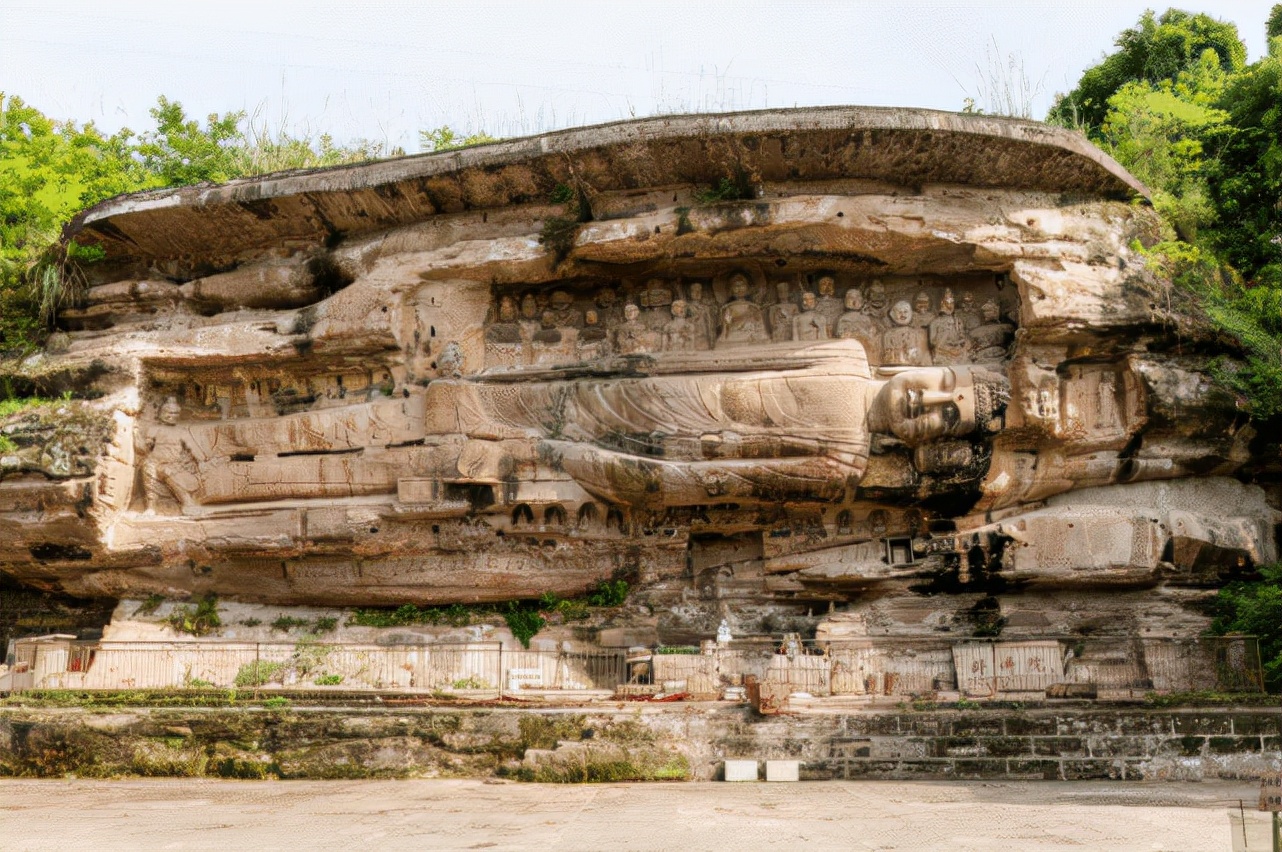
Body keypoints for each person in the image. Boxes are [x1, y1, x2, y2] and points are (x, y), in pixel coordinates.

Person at [138, 397, 202, 513]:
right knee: (154, 468)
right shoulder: (155, 429)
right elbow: (146, 448)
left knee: (171, 470)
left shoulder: (181, 430)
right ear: (162, 413)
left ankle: (187, 502)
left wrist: (202, 460)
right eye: (170, 412)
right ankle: (151, 507)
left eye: (176, 413)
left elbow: (192, 449)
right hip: (156, 463)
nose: (173, 415)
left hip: (174, 464)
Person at [717, 273, 767, 346]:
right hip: (735, 335)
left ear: (748, 287)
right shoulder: (728, 308)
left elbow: (760, 326)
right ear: (731, 289)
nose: (740, 288)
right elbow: (725, 329)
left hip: (751, 334)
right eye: (736, 286)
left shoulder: (753, 307)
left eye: (742, 285)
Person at [836, 288, 880, 363]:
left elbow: (872, 335)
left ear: (862, 300)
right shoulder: (843, 319)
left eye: (857, 297)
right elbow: (841, 335)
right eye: (851, 298)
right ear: (846, 301)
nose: (855, 300)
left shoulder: (866, 319)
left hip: (866, 351)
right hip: (850, 351)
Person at [881, 300, 931, 367]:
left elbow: (924, 357)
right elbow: (887, 356)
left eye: (905, 312)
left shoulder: (918, 333)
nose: (903, 314)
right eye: (899, 312)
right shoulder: (888, 334)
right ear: (893, 314)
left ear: (911, 314)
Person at [928, 288, 972, 363]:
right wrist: (947, 348)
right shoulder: (935, 322)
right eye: (948, 300)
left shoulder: (958, 321)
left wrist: (963, 344)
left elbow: (962, 337)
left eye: (952, 301)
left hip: (958, 351)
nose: (951, 303)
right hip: (943, 352)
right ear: (942, 302)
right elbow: (933, 341)